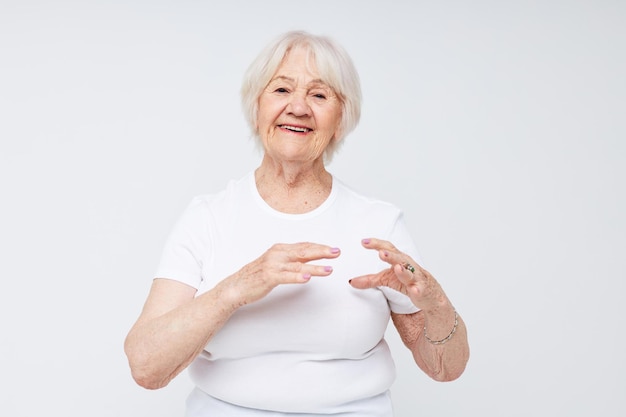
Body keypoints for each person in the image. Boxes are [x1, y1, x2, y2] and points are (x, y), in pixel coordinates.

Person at [124, 30, 469, 417]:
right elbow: (146, 366)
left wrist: (436, 303)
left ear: (341, 119)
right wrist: (236, 288)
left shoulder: (378, 223)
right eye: (282, 90)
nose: (299, 108)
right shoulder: (208, 217)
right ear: (256, 108)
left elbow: (445, 367)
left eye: (319, 95)